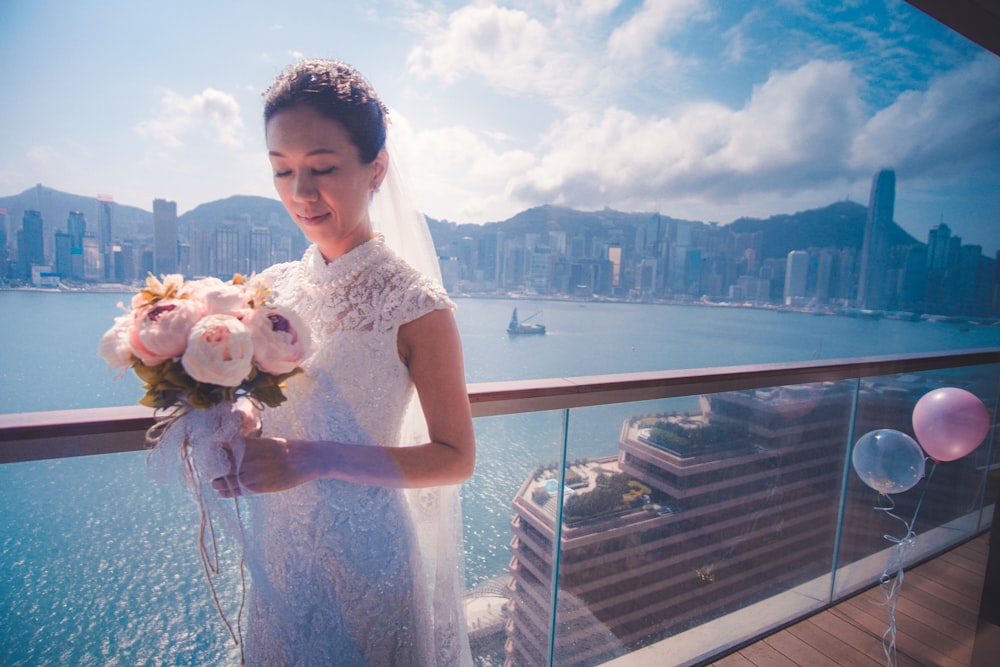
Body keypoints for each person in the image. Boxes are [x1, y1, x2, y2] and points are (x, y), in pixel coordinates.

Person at [210, 59, 476, 666]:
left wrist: (312, 459)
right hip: (282, 560)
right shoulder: (269, 289)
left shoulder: (417, 305)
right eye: (283, 171)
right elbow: (263, 393)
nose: (301, 193)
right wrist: (245, 418)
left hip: (372, 566)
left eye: (323, 169)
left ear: (375, 167)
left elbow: (456, 459)